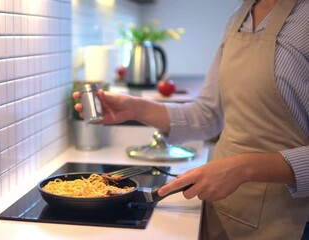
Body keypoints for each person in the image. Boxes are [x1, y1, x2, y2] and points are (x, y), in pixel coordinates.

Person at [73, 0, 309, 239]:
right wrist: (135, 108)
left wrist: (244, 168)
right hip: (224, 206)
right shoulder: (239, 16)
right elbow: (207, 115)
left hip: (284, 218)